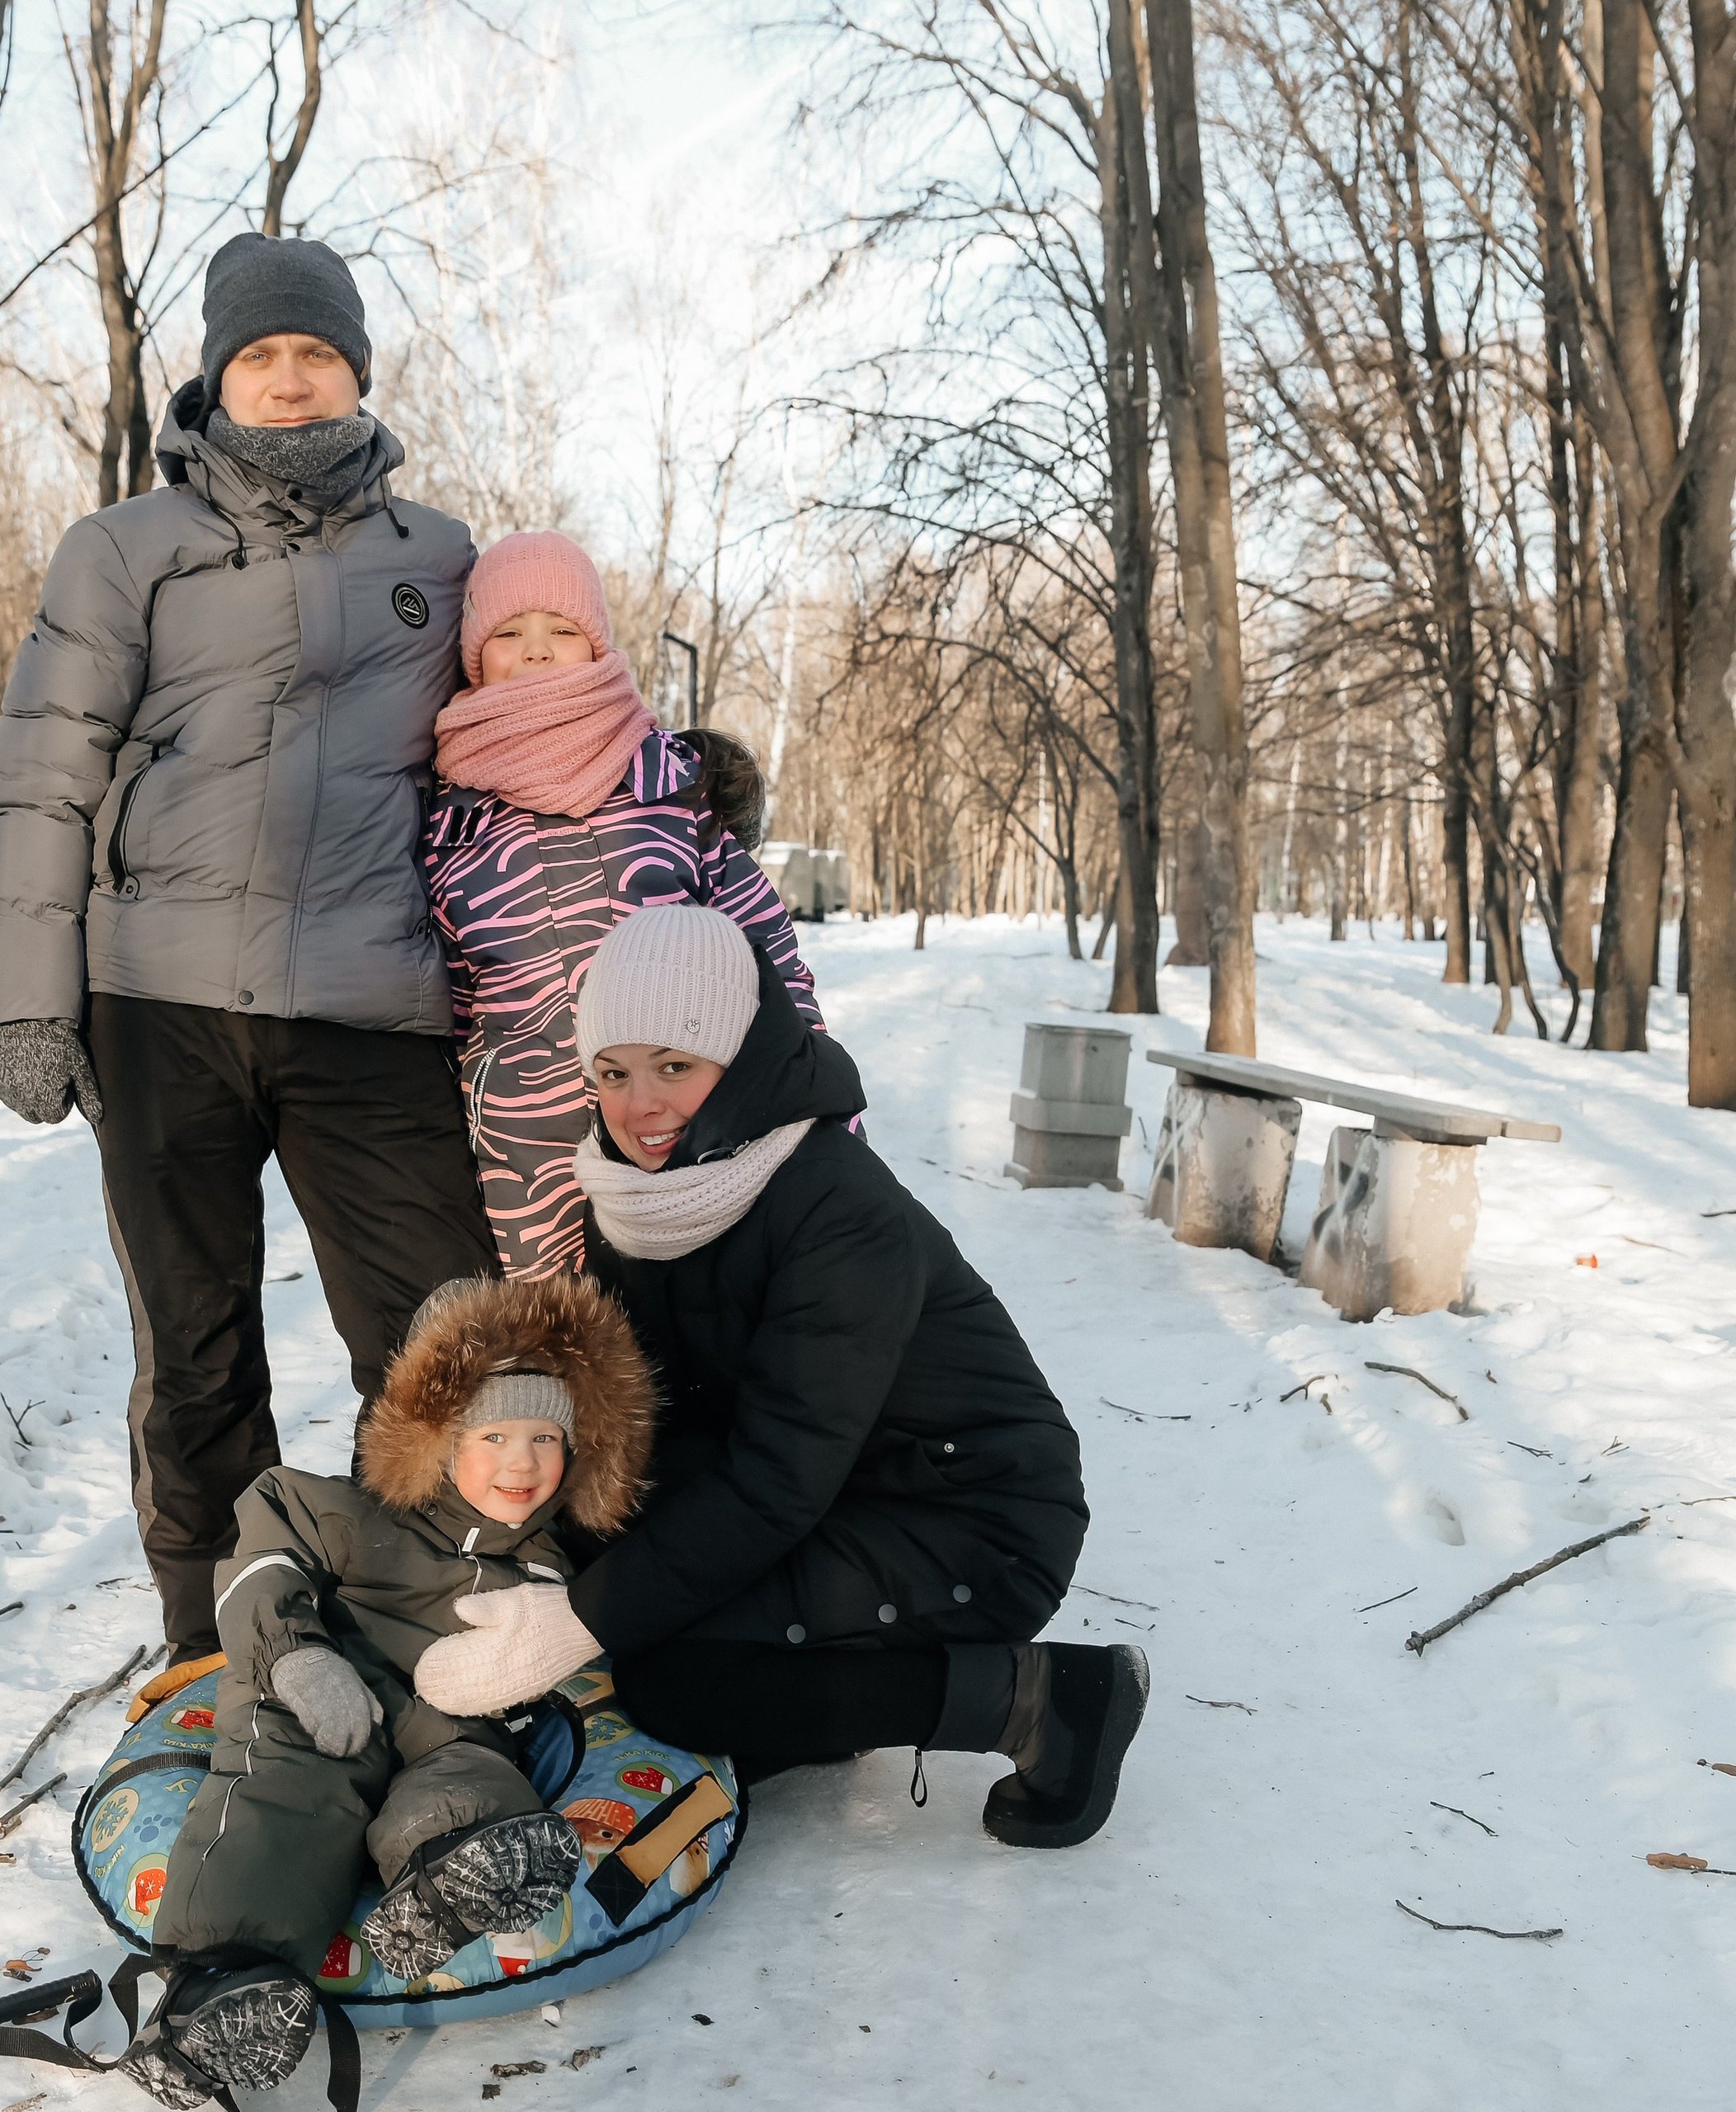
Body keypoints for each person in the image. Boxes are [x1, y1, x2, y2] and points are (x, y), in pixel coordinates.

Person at [0, 233, 500, 1671]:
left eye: (312, 354)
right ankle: (218, 1651)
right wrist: (28, 1005)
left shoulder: (442, 562)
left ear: (358, 372)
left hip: (370, 1006)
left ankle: (453, 1628)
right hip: (161, 1003)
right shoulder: (124, 548)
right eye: (257, 356)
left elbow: (527, 731)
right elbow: (43, 773)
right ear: (215, 374)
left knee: (441, 1340)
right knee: (197, 1355)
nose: (284, 380)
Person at [414, 904, 1149, 1848]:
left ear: (745, 1052)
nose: (639, 1106)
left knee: (671, 1679)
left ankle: (1043, 1700)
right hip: (841, 1485)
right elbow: (656, 1414)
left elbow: (777, 1477)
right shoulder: (640, 1196)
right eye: (613, 1072)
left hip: (971, 1516)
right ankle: (821, 1694)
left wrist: (578, 1623)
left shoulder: (838, 1208)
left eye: (674, 1066)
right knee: (622, 1570)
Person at [120, 1275, 654, 2106]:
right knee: (285, 1794)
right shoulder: (342, 1509)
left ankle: (450, 1871)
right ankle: (222, 1984)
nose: (522, 1462)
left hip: (446, 1717)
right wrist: (294, 1656)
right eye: (495, 1434)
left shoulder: (547, 1568)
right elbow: (259, 1561)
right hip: (320, 1692)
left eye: (547, 1437)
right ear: (436, 1435)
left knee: (474, 1768)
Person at [423, 530, 820, 1278]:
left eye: (562, 630)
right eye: (508, 634)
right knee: (562, 1352)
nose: (536, 651)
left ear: (597, 646)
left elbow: (764, 949)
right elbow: (445, 999)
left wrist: (813, 1079)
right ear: (475, 659)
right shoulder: (451, 818)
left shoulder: (667, 788)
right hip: (525, 1149)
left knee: (690, 1331)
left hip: (679, 1123)